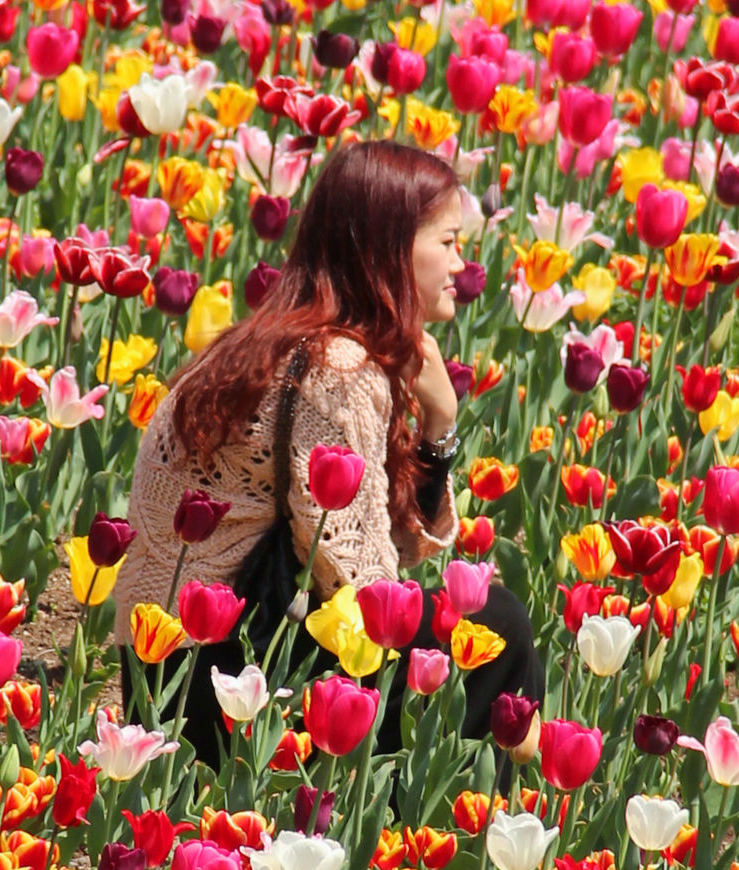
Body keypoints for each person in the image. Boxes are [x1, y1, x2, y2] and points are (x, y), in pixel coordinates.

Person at [111, 140, 541, 769]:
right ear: (390, 250)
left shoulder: (268, 344)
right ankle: (459, 822)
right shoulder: (336, 371)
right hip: (234, 686)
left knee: (470, 625)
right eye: (447, 243)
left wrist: (438, 422)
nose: (461, 264)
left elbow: (371, 553)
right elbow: (361, 582)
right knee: (491, 623)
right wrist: (443, 417)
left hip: (166, 673)